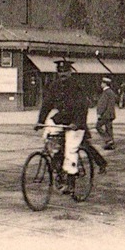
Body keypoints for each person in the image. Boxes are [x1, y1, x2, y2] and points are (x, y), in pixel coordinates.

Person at [36, 62, 89, 195]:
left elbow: (83, 106)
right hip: (61, 119)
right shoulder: (55, 86)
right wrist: (40, 122)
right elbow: (47, 104)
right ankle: (58, 169)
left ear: (70, 72)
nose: (62, 75)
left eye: (65, 72)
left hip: (76, 122)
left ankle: (71, 183)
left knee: (71, 150)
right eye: (60, 72)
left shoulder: (77, 86)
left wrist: (77, 123)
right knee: (49, 138)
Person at [96, 77, 117, 150]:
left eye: (102, 83)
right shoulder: (111, 92)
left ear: (105, 84)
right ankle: (111, 144)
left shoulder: (106, 92)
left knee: (98, 126)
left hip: (105, 114)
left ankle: (108, 140)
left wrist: (99, 113)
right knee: (109, 129)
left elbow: (103, 104)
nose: (101, 84)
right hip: (110, 114)